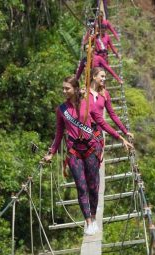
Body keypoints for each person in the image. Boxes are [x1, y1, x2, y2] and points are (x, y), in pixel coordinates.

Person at [43, 76, 133, 236]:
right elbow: (58, 134)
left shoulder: (88, 104)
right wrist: (51, 153)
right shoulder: (61, 109)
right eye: (63, 88)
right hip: (74, 152)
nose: (64, 91)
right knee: (81, 186)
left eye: (67, 88)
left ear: (75, 89)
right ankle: (89, 222)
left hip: (91, 148)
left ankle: (93, 215)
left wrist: (120, 138)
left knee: (93, 186)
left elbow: (102, 124)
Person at [89, 67, 133, 140]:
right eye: (102, 76)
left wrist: (124, 131)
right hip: (84, 132)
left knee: (99, 150)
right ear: (94, 76)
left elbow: (112, 114)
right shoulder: (84, 93)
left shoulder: (105, 94)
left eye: (105, 77)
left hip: (98, 133)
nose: (104, 79)